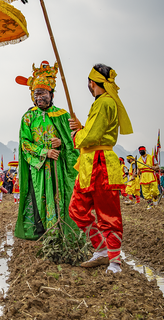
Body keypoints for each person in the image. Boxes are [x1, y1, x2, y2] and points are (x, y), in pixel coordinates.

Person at [68, 63, 133, 274]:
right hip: (89, 164)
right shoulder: (101, 103)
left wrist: (77, 135)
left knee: (108, 214)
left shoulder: (104, 102)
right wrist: (81, 128)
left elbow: (93, 136)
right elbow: (93, 130)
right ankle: (101, 248)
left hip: (102, 163)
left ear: (91, 83)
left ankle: (114, 262)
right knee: (77, 210)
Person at [14, 61, 80, 240]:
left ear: (51, 94)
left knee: (60, 198)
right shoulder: (28, 117)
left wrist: (63, 142)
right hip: (39, 168)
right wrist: (45, 152)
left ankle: (60, 231)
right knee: (38, 198)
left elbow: (74, 141)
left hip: (58, 167)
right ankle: (42, 233)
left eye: (43, 93)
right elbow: (25, 144)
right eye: (36, 94)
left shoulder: (63, 115)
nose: (39, 97)